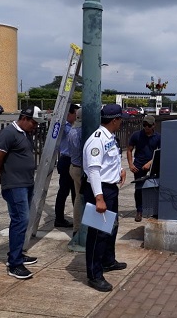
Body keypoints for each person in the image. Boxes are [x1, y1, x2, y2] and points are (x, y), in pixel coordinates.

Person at [0, 106, 45, 279]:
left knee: (22, 221)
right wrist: (3, 174)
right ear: (24, 118)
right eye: (34, 123)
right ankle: (14, 264)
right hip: (15, 185)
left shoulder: (24, 133)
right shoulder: (8, 134)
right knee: (21, 220)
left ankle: (17, 254)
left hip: (26, 183)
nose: (35, 126)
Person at [82, 104, 127, 292]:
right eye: (120, 119)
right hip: (99, 191)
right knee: (98, 234)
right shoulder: (97, 140)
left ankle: (108, 260)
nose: (121, 122)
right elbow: (93, 170)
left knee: (111, 229)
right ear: (115, 120)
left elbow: (110, 161)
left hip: (110, 188)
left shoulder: (110, 138)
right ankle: (94, 274)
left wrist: (120, 170)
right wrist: (99, 198)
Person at [126, 115, 161, 222]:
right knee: (139, 189)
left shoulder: (158, 137)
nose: (146, 127)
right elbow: (129, 150)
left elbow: (160, 151)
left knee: (154, 187)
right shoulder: (137, 135)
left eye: (149, 125)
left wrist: (150, 163)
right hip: (139, 165)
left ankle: (154, 209)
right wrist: (131, 164)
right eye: (144, 125)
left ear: (153, 125)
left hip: (153, 165)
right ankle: (139, 210)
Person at [54, 104, 80, 228]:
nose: (76, 117)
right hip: (66, 160)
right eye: (75, 114)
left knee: (76, 191)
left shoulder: (74, 126)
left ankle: (77, 219)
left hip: (73, 161)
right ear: (68, 114)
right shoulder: (64, 127)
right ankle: (59, 218)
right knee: (64, 191)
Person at [68, 107, 83, 237]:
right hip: (80, 168)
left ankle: (77, 228)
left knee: (78, 197)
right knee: (86, 198)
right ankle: (82, 228)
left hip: (73, 166)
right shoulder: (81, 131)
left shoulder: (73, 129)